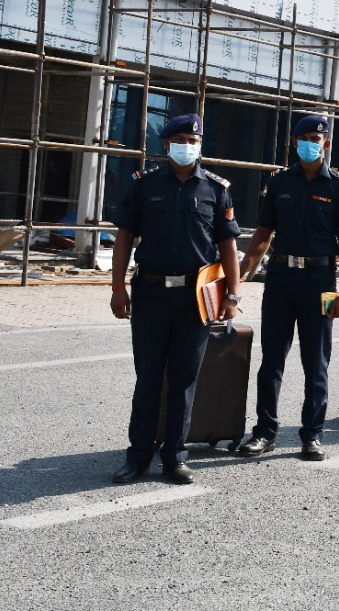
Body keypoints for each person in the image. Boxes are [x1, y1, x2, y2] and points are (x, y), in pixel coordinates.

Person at [109, 113, 241, 484]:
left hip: (194, 298)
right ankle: (137, 457)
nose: (188, 145)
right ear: (166, 144)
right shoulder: (143, 184)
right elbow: (123, 239)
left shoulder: (216, 189)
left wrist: (232, 294)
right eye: (181, 139)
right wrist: (118, 288)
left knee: (184, 379)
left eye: (194, 140)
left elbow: (228, 246)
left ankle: (175, 456)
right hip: (149, 293)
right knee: (148, 377)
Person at [239, 115, 339, 461]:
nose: (310, 142)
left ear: (327, 144)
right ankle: (264, 433)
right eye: (303, 137)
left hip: (319, 283)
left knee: (315, 362)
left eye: (316, 137)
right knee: (271, 359)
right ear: (293, 142)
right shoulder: (278, 182)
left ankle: (312, 435)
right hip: (280, 278)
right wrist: (241, 276)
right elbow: (263, 235)